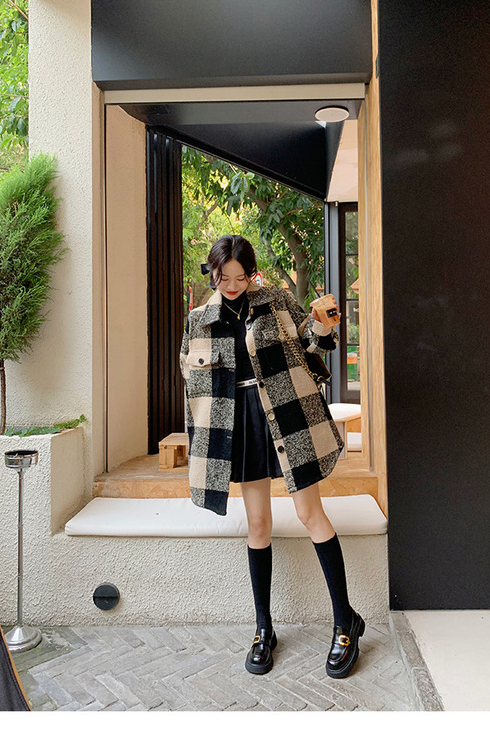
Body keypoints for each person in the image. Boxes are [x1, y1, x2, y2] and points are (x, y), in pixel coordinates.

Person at [179, 234, 365, 679]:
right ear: (212, 273)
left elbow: (311, 346)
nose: (232, 286)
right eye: (224, 277)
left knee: (310, 514)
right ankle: (264, 628)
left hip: (287, 415)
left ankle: (346, 621)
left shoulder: (277, 302)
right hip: (239, 424)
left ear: (252, 274)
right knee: (258, 524)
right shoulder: (198, 321)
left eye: (240, 277)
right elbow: (193, 389)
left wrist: (322, 325)